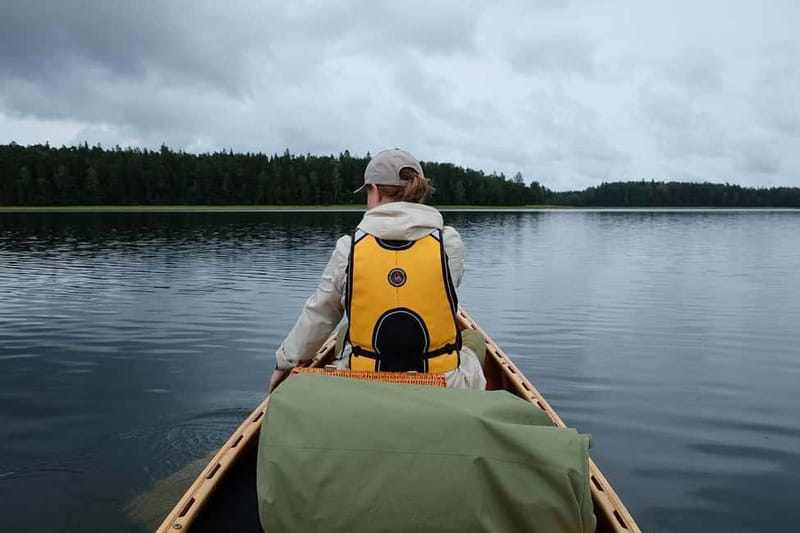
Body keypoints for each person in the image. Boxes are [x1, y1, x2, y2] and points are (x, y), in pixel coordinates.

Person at [269, 148, 486, 392]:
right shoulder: (449, 243)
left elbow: (320, 314)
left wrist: (284, 362)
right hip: (443, 385)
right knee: (475, 340)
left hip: (364, 382)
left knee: (344, 333)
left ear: (375, 190)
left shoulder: (348, 249)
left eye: (367, 193)